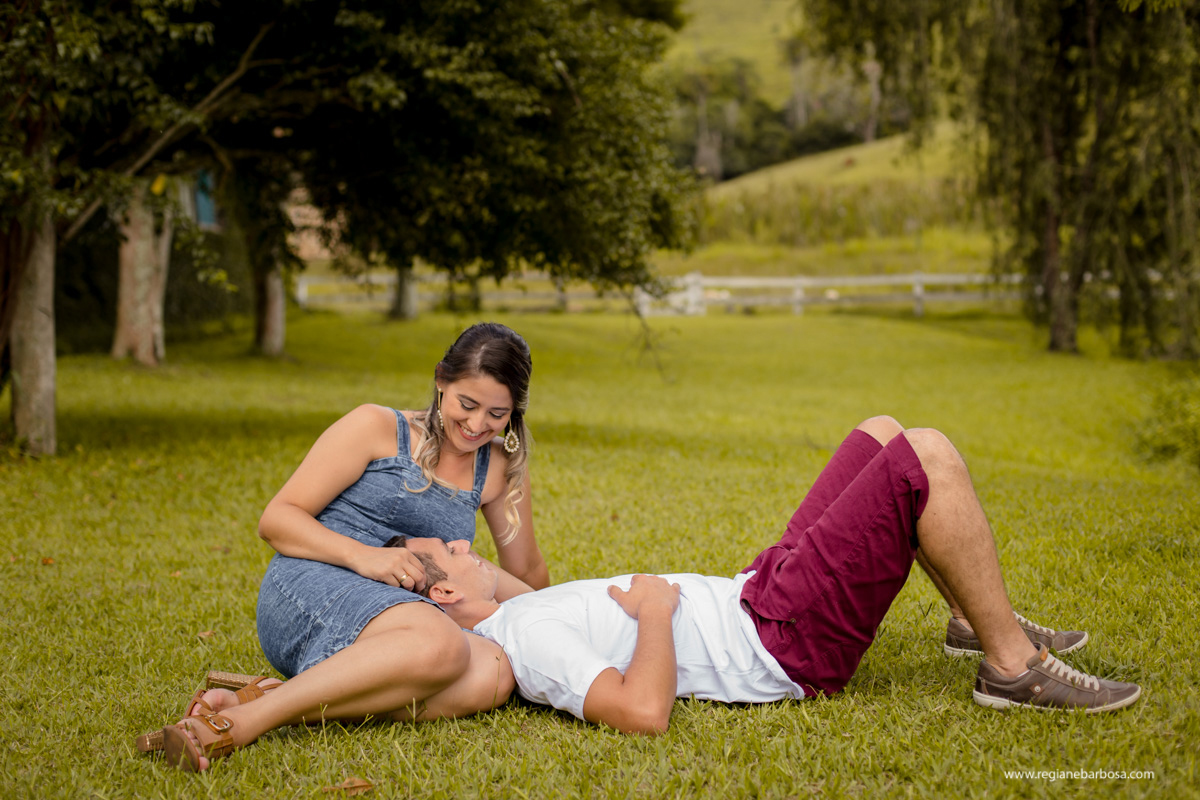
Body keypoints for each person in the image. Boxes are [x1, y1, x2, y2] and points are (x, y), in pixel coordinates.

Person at [398, 416, 1141, 734]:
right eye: (455, 552)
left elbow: (518, 567)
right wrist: (655, 611)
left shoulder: (519, 611)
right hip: (781, 639)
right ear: (447, 592)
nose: (469, 546)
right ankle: (1009, 666)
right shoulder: (526, 641)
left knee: (879, 432)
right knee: (926, 455)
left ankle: (970, 620)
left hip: (759, 591)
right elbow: (641, 713)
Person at [149, 322, 546, 771]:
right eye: (467, 404)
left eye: (497, 414)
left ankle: (281, 695)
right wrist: (367, 557)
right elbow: (277, 519)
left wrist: (564, 625)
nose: (477, 425)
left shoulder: (499, 467)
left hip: (402, 619)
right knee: (443, 643)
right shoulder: (377, 427)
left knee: (493, 672)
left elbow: (526, 569)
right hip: (313, 584)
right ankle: (243, 724)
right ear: (441, 380)